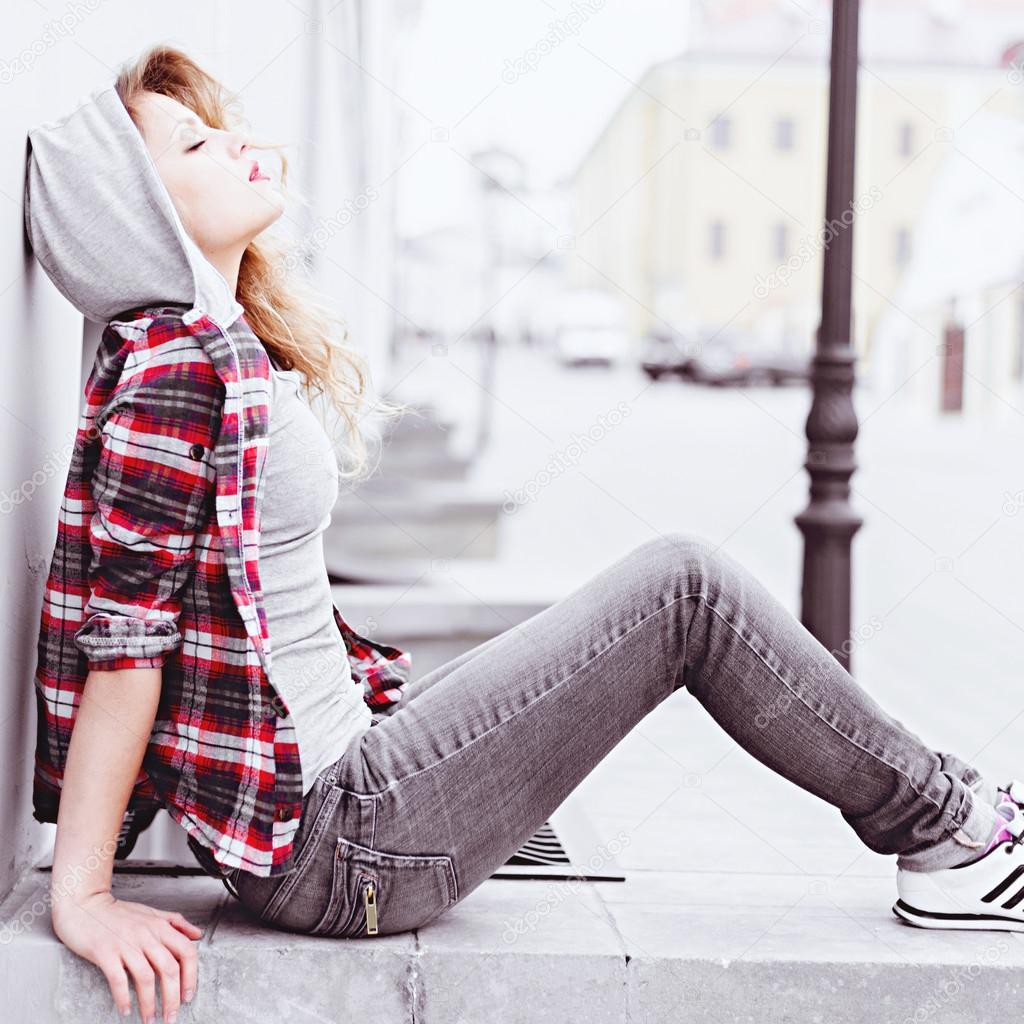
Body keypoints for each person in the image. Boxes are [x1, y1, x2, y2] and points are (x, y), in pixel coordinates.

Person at [23, 43, 1024, 1024]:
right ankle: (954, 835)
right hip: (341, 841)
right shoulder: (175, 365)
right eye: (195, 148)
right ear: (137, 216)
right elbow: (124, 640)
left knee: (666, 587)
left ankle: (954, 819)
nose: (241, 147)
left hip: (342, 794)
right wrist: (84, 895)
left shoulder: (210, 347)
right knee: (685, 588)